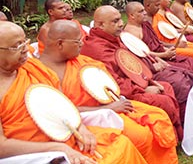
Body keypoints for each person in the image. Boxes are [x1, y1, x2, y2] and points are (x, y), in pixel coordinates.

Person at [0, 21, 146, 164]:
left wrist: (81, 128)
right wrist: (57, 148)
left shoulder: (34, 68)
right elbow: (2, 146)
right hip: (36, 152)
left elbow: (64, 105)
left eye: (24, 42)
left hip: (67, 135)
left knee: (121, 144)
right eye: (16, 46)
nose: (25, 49)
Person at [36, 20, 179, 163]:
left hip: (112, 104)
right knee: (142, 136)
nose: (82, 44)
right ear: (60, 44)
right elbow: (63, 112)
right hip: (91, 116)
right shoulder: (42, 73)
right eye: (77, 41)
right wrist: (108, 108)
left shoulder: (81, 61)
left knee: (158, 116)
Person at [80, 5, 184, 140]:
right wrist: (144, 89)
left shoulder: (112, 38)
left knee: (167, 87)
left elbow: (132, 64)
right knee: (164, 101)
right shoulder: (98, 48)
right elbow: (114, 82)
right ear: (101, 25)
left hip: (136, 83)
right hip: (123, 94)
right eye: (115, 21)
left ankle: (174, 136)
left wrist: (149, 81)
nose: (121, 24)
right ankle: (169, 139)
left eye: (120, 19)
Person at [123, 1, 193, 122]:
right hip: (150, 66)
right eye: (141, 11)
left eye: (144, 10)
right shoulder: (129, 32)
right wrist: (163, 55)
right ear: (131, 15)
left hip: (158, 58)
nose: (144, 13)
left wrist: (166, 50)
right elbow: (142, 53)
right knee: (180, 80)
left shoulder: (145, 25)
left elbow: (154, 44)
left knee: (189, 61)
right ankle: (186, 118)